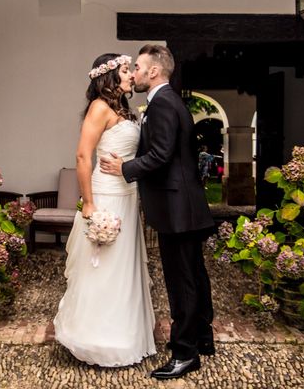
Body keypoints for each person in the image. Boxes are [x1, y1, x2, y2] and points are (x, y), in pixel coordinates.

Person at [100, 44, 215, 380]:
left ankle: (185, 353)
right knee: (194, 275)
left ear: (153, 71)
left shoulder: (163, 103)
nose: (132, 72)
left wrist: (125, 167)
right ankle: (202, 337)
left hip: (177, 209)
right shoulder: (168, 101)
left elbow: (162, 155)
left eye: (137, 67)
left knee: (181, 283)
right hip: (185, 205)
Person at [53, 53, 156, 367]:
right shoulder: (99, 107)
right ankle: (94, 338)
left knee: (123, 267)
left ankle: (124, 335)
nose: (131, 76)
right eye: (126, 71)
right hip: (106, 195)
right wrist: (89, 205)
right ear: (110, 77)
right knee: (103, 267)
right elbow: (83, 157)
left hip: (127, 195)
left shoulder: (123, 111)